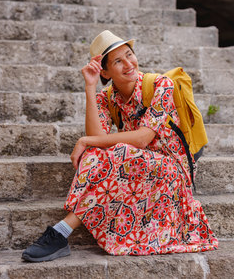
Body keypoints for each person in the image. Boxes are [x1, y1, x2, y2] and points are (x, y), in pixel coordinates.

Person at [22, 30, 218, 261]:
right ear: (104, 71)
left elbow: (143, 139)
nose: (128, 64)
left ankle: (61, 231)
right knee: (97, 152)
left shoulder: (161, 85)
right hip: (135, 170)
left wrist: (84, 141)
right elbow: (97, 137)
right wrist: (90, 87)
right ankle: (59, 235)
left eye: (129, 55)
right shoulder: (107, 98)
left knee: (116, 149)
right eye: (118, 61)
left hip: (171, 171)